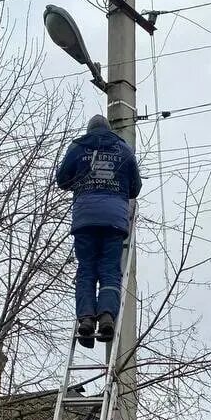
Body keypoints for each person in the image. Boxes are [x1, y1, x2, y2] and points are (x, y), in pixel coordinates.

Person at [55, 114, 142, 348]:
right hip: (114, 219)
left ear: (89, 129)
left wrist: (84, 180)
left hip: (85, 218)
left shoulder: (78, 147)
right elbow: (135, 187)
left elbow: (62, 180)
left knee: (86, 270)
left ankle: (85, 318)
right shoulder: (124, 150)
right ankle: (106, 316)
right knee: (110, 270)